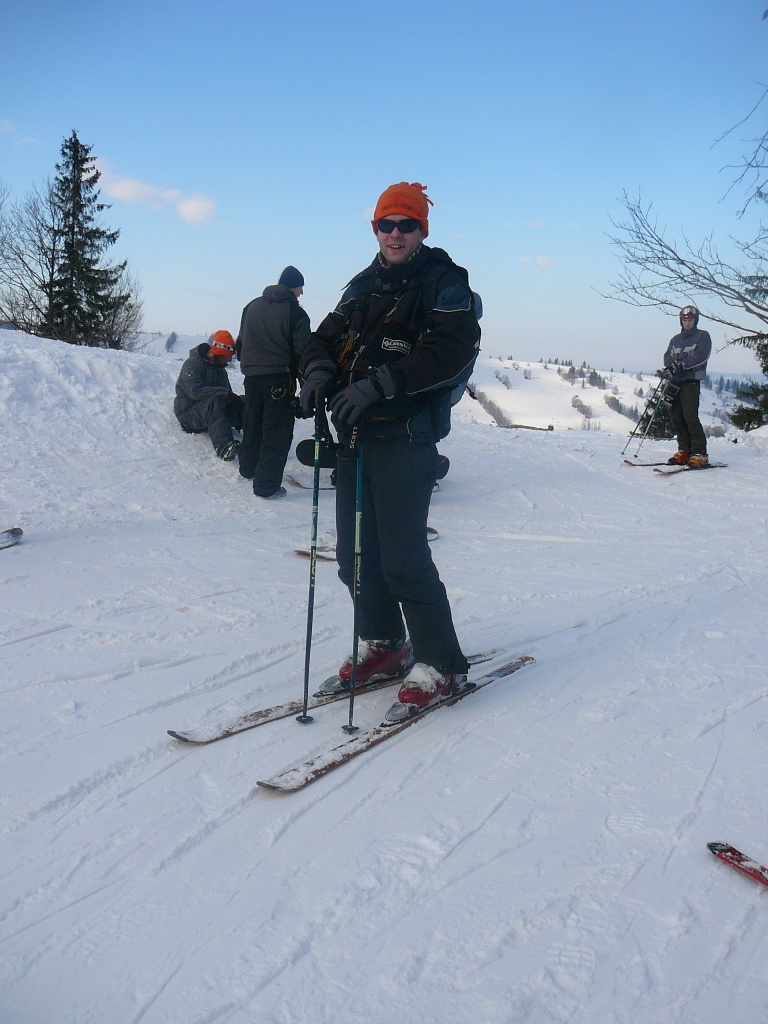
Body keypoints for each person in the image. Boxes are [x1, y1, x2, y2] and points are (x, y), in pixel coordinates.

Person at [299, 182, 480, 713]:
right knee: (356, 559)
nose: (396, 233)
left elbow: (450, 350)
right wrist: (314, 371)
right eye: (387, 224)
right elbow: (323, 339)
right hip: (354, 437)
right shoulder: (363, 285)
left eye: (407, 224)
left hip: (406, 437)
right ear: (375, 229)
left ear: (422, 229)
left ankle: (442, 665)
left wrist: (382, 384)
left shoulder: (443, 282)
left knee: (403, 560)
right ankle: (385, 644)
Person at [235, 267, 311, 498]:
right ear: (292, 286)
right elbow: (303, 353)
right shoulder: (295, 313)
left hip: (252, 377)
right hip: (279, 377)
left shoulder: (251, 306)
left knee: (253, 422)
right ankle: (267, 487)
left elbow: (240, 343)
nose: (301, 293)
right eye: (300, 287)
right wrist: (306, 383)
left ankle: (248, 469)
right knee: (276, 431)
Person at [174, 330, 243, 460]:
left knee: (243, 401)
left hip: (211, 412)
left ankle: (256, 439)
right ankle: (224, 448)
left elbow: (226, 396)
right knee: (213, 403)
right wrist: (224, 393)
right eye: (229, 355)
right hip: (188, 414)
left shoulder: (221, 371)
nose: (230, 358)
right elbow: (195, 391)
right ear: (221, 353)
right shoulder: (193, 364)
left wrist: (238, 409)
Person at [661, 304, 712, 467]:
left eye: (690, 320)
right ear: (681, 321)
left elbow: (701, 357)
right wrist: (671, 365)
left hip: (690, 381)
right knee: (676, 416)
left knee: (690, 416)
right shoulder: (676, 339)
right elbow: (667, 356)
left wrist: (681, 365)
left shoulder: (702, 336)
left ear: (695, 321)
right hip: (675, 382)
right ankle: (684, 450)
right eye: (684, 320)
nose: (687, 323)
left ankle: (700, 452)